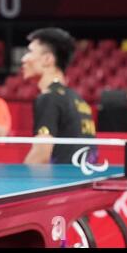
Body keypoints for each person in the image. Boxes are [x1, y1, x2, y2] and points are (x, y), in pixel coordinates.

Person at [21, 28, 96, 164]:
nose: (23, 58)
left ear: (47, 59)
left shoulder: (49, 98)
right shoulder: (79, 100)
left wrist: (19, 183)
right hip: (82, 181)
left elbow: (41, 153)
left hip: (63, 183)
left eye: (30, 52)